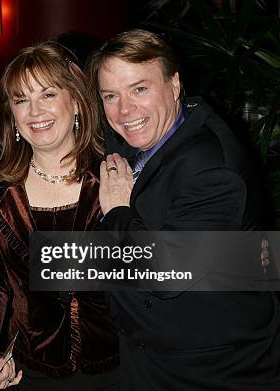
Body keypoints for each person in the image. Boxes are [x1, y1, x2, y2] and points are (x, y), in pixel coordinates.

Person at [86, 29, 280, 390]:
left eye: (139, 89)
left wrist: (117, 212)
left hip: (209, 371)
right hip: (152, 358)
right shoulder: (156, 132)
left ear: (174, 85)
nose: (124, 110)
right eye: (110, 95)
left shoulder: (211, 167)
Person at [0, 41, 119, 391]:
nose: (35, 111)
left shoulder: (117, 179)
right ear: (12, 115)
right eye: (21, 100)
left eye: (48, 95)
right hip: (31, 372)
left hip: (118, 367)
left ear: (77, 102)